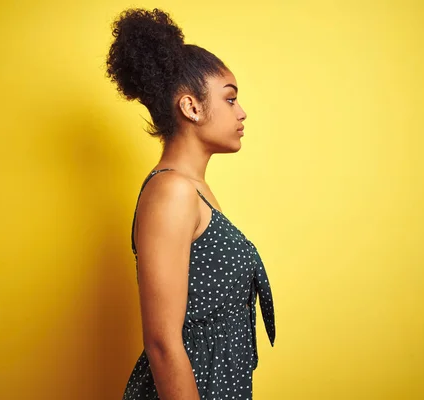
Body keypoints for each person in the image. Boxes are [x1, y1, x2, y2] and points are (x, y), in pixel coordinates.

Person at [106, 8, 276, 400]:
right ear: (192, 107)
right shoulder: (172, 193)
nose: (242, 112)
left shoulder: (195, 190)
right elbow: (163, 343)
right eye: (230, 99)